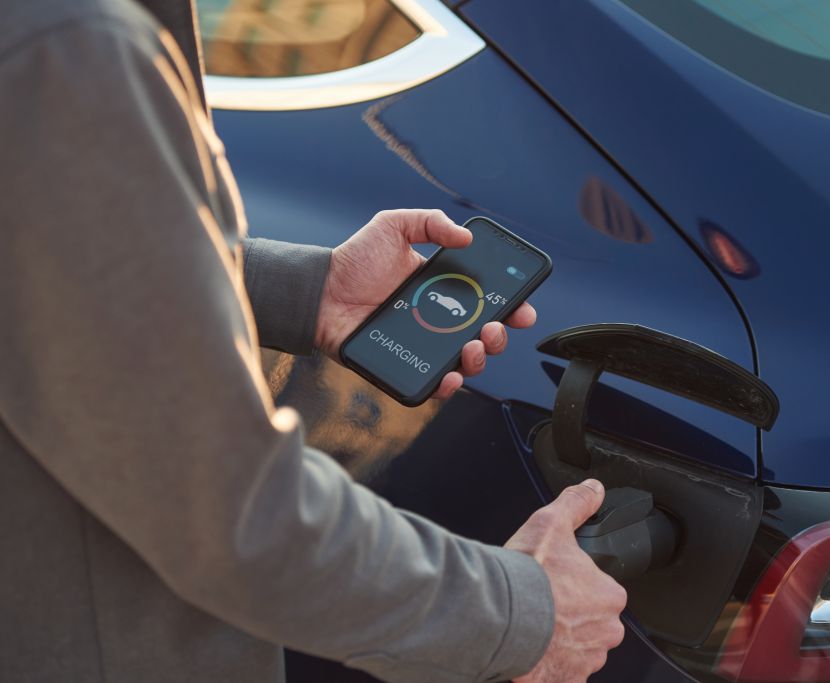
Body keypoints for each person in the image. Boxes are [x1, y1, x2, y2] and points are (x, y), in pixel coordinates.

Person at [0, 0, 628, 681]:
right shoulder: (64, 51)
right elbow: (237, 515)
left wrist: (302, 290)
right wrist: (519, 615)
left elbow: (49, 258)